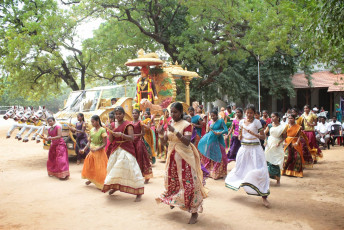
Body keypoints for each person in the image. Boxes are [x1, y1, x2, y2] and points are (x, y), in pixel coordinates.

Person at [156, 102, 207, 224]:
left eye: (175, 112)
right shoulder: (170, 124)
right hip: (173, 157)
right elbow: (164, 143)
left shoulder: (187, 125)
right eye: (171, 112)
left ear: (181, 112)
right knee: (173, 182)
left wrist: (175, 131)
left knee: (189, 183)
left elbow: (186, 142)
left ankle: (194, 212)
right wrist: (160, 133)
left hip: (185, 158)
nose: (173, 114)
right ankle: (175, 201)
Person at [225, 104, 270, 207]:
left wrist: (254, 135)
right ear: (245, 112)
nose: (249, 115)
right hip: (244, 149)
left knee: (260, 169)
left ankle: (264, 196)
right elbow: (240, 136)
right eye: (247, 112)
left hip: (255, 150)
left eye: (251, 113)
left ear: (254, 113)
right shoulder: (241, 122)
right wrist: (239, 136)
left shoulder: (257, 122)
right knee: (240, 168)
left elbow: (263, 136)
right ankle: (242, 183)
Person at [102, 106, 144, 202]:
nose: (118, 115)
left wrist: (121, 135)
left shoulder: (128, 125)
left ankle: (138, 192)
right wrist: (110, 132)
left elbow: (132, 138)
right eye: (116, 114)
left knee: (131, 169)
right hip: (116, 149)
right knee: (112, 168)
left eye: (120, 113)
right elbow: (112, 140)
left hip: (126, 148)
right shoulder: (112, 125)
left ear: (123, 114)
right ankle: (115, 186)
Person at [198, 109, 228, 180]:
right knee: (210, 156)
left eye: (214, 116)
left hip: (218, 140)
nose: (212, 117)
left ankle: (218, 173)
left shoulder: (221, 121)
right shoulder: (210, 122)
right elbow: (208, 131)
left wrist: (219, 132)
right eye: (211, 116)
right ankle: (211, 172)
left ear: (217, 115)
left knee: (221, 156)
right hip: (211, 141)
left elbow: (226, 130)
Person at [81, 115, 108, 189]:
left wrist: (97, 149)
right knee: (90, 166)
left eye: (93, 122)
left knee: (100, 169)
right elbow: (89, 142)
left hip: (99, 153)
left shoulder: (102, 130)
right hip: (92, 152)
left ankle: (102, 184)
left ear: (97, 121)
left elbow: (104, 143)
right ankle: (91, 179)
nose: (92, 123)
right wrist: (84, 149)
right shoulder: (92, 130)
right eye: (91, 122)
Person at [264, 112, 287, 185]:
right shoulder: (270, 125)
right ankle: (267, 178)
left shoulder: (283, 127)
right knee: (268, 160)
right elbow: (264, 133)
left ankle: (278, 179)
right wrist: (265, 141)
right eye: (271, 117)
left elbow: (284, 137)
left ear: (278, 117)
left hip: (277, 145)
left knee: (277, 161)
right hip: (269, 144)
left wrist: (279, 142)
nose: (272, 118)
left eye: (273, 116)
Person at [132, 109, 153, 184]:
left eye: (136, 113)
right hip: (132, 142)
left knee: (142, 159)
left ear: (138, 114)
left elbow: (143, 133)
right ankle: (136, 176)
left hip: (139, 142)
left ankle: (146, 176)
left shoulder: (140, 122)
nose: (134, 114)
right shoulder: (131, 123)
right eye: (133, 113)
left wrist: (134, 135)